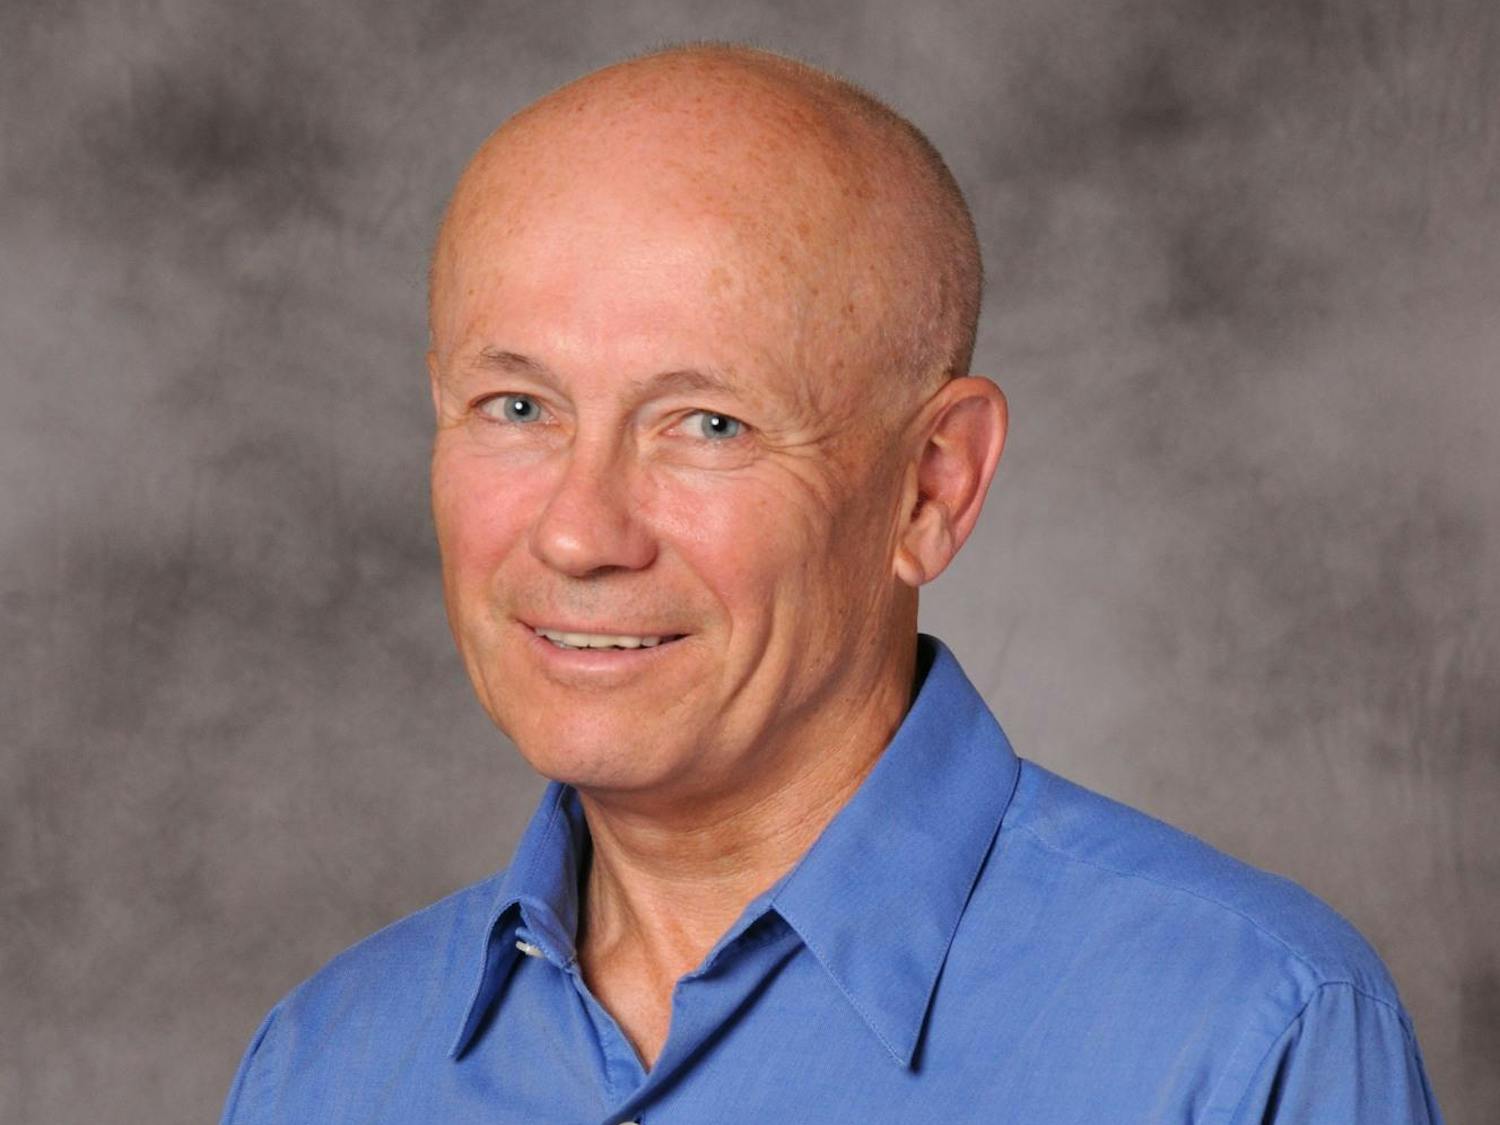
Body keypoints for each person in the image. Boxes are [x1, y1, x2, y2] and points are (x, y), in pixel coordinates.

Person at [221, 44, 1444, 1123]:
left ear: (932, 487)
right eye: (518, 407)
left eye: (707, 424)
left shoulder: (1242, 1039)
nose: (580, 534)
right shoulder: (324, 1071)